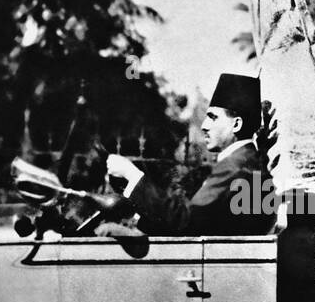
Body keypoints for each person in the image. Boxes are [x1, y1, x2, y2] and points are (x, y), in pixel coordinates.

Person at [106, 72, 273, 235]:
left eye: (213, 117)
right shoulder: (249, 161)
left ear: (236, 124)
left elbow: (186, 221)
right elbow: (203, 223)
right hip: (228, 259)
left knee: (105, 232)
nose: (204, 126)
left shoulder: (235, 166)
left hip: (214, 261)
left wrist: (131, 174)